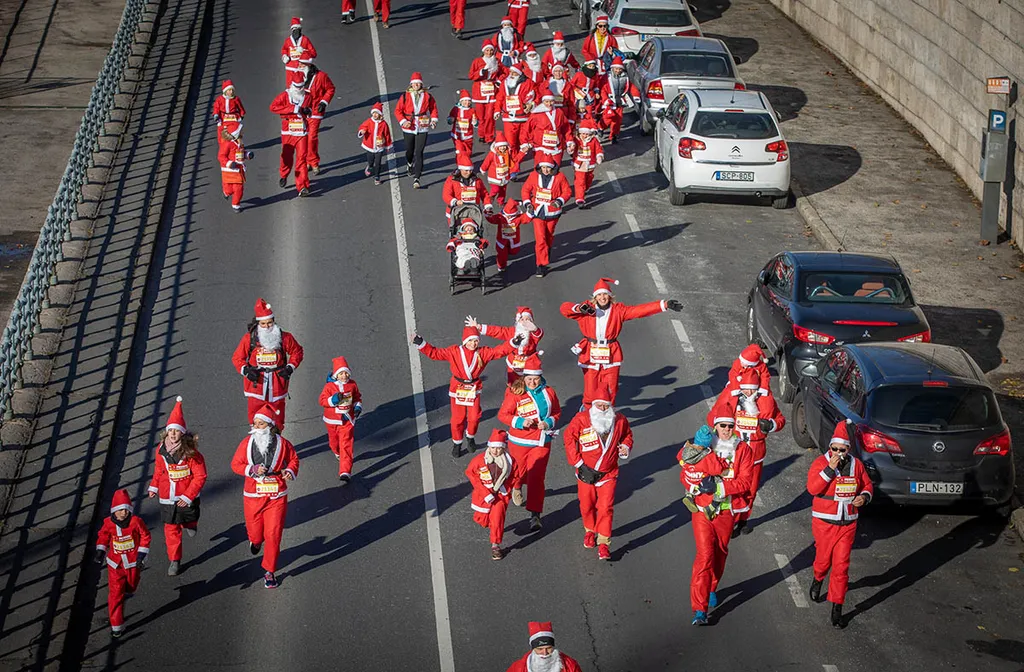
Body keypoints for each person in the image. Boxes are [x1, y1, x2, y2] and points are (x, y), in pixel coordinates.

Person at [562, 278, 682, 405]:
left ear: (610, 296)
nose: (603, 298)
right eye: (599, 295)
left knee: (611, 389)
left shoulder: (618, 310)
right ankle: (587, 414)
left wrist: (663, 305)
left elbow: (639, 311)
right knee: (591, 391)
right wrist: (578, 308)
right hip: (590, 354)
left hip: (611, 354)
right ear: (595, 297)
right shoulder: (587, 309)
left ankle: (608, 416)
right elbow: (564, 308)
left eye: (605, 294)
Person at [683, 420, 754, 625]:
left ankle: (712, 586)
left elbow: (745, 481)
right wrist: (693, 484)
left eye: (730, 427)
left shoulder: (743, 450)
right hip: (702, 511)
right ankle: (699, 609)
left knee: (720, 552)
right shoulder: (703, 445)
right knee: (704, 555)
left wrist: (718, 488)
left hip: (726, 512)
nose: (726, 430)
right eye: (722, 426)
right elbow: (685, 468)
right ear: (716, 427)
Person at [412, 327, 520, 456]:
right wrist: (421, 342)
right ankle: (457, 443)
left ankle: (470, 437)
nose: (473, 344)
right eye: (471, 340)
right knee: (458, 419)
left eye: (476, 341)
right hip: (458, 388)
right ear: (464, 341)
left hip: (473, 388)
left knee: (474, 417)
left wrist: (513, 342)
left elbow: (499, 351)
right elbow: (435, 353)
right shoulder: (454, 351)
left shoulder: (482, 353)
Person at [807, 421, 872, 629]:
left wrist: (864, 496)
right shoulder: (820, 463)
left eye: (841, 450)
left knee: (842, 566)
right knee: (823, 560)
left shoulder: (856, 466)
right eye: (834, 449)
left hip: (847, 524)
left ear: (848, 449)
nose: (837, 453)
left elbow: (867, 485)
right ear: (830, 448)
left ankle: (837, 607)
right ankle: (818, 578)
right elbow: (812, 488)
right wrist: (829, 469)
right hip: (824, 522)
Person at [231, 404, 299, 589]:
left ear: (269, 426)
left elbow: (293, 459)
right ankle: (255, 541)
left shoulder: (282, 443)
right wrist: (251, 469)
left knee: (274, 533)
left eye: (261, 424)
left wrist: (290, 471)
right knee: (255, 532)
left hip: (276, 495)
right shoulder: (246, 443)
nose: (257, 427)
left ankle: (269, 571)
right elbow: (235, 464)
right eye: (255, 423)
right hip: (253, 494)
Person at [711, 369, 785, 536]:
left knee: (751, 489)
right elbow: (718, 415)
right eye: (746, 388)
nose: (749, 392)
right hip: (734, 453)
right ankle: (729, 519)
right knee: (733, 485)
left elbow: (781, 420)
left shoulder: (765, 402)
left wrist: (771, 424)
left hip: (755, 454)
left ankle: (743, 519)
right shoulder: (733, 400)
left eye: (753, 389)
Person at [563, 385, 632, 560]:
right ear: (593, 405)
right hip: (585, 471)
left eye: (606, 406)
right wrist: (577, 462)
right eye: (599, 405)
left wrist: (625, 447)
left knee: (605, 507)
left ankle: (603, 542)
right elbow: (568, 437)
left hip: (608, 474)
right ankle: (590, 529)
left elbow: (627, 436)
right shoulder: (581, 419)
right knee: (586, 505)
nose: (602, 409)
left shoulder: (620, 420)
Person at [498, 354, 560, 531]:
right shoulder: (516, 392)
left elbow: (556, 412)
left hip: (541, 441)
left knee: (536, 477)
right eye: (529, 379)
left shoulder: (549, 392)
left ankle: (535, 515)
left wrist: (548, 422)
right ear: (524, 377)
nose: (532, 383)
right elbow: (503, 415)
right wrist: (519, 421)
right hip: (519, 441)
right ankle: (517, 486)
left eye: (535, 379)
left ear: (541, 377)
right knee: (518, 473)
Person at [146, 396, 206, 576]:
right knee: (171, 530)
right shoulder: (160, 450)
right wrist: (153, 487)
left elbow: (200, 476)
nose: (172, 434)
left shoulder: (191, 453)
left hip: (187, 497)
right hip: (167, 498)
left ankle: (190, 524)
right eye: (170, 430)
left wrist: (188, 496)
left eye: (176, 431)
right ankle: (175, 560)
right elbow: (159, 470)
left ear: (182, 433)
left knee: (189, 518)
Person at [230, 298, 304, 432]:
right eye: (263, 324)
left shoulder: (284, 337)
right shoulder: (250, 338)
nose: (267, 326)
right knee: (255, 416)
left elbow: (297, 352)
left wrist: (290, 367)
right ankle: (257, 441)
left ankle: (277, 442)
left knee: (277, 416)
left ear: (274, 321)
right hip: (256, 385)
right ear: (258, 323)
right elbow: (237, 358)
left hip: (277, 385)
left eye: (270, 323)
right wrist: (246, 371)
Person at [94, 489, 150, 638]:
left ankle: (128, 590)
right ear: (114, 511)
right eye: (120, 510)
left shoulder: (136, 522)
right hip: (115, 565)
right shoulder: (108, 523)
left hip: (132, 563)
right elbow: (103, 536)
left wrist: (141, 555)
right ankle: (116, 626)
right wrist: (100, 550)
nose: (124, 513)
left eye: (126, 509)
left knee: (131, 587)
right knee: (115, 594)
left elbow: (145, 536)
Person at [465, 428, 523, 560]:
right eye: (492, 448)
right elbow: (471, 473)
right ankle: (490, 525)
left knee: (497, 518)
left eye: (498, 448)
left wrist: (506, 489)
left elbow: (515, 475)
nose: (495, 451)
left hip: (501, 495)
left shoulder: (509, 462)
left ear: (504, 448)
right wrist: (485, 492)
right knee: (481, 519)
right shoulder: (480, 460)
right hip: (483, 494)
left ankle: (495, 545)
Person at [521, 158, 572, 277]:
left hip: (552, 213)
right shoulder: (533, 175)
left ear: (552, 167)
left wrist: (559, 201)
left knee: (548, 236)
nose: (545, 170)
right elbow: (525, 190)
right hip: (537, 212)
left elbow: (567, 191)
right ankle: (540, 265)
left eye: (548, 168)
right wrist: (528, 203)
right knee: (540, 239)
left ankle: (546, 251)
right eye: (543, 167)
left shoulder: (560, 177)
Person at [467, 306, 543, 383]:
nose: (524, 322)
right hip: (513, 363)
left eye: (527, 319)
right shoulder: (512, 331)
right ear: (518, 321)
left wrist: (535, 329)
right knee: (513, 384)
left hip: (529, 363)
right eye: (522, 319)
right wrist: (479, 327)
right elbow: (498, 331)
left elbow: (539, 334)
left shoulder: (533, 334)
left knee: (531, 383)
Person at [318, 356, 363, 484]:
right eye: (341, 373)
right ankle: (336, 451)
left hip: (347, 420)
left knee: (346, 444)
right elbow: (322, 401)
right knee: (334, 442)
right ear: (336, 375)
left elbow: (357, 398)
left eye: (346, 373)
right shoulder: (329, 387)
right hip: (332, 420)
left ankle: (345, 471)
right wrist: (333, 400)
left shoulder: (352, 384)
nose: (344, 376)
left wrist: (357, 407)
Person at [268, 74, 312, 196]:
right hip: (288, 130)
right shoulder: (285, 96)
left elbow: (310, 109)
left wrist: (308, 112)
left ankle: (302, 186)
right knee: (286, 157)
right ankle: (284, 174)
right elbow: (273, 107)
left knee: (302, 159)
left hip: (302, 131)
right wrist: (293, 109)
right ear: (292, 85)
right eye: (297, 86)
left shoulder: (308, 96)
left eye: (301, 86)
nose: (299, 89)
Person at [394, 72, 438, 189]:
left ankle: (417, 178)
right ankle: (409, 163)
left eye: (418, 83)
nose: (416, 85)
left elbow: (433, 108)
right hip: (409, 126)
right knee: (409, 150)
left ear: (421, 84)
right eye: (414, 83)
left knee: (419, 152)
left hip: (422, 126)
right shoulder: (405, 96)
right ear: (411, 85)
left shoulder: (428, 96)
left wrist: (433, 120)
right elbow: (398, 111)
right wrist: (404, 121)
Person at [520, 92, 573, 173]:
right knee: (539, 171)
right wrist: (524, 142)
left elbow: (566, 128)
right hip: (541, 147)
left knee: (554, 171)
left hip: (556, 147)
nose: (549, 104)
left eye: (551, 101)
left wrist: (569, 141)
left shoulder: (559, 112)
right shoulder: (536, 114)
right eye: (546, 101)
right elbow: (526, 129)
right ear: (543, 101)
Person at [494, 65, 535, 163]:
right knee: (511, 143)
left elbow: (536, 95)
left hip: (523, 118)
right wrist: (497, 110)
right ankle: (514, 165)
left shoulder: (529, 83)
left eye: (514, 73)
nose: (511, 75)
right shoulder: (504, 83)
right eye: (510, 72)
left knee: (523, 142)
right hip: (509, 118)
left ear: (520, 74)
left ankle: (516, 160)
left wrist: (531, 104)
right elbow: (500, 97)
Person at [506, 622, 584, 672]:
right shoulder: (518, 668)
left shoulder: (570, 666)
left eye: (549, 648)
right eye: (540, 649)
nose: (545, 653)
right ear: (533, 648)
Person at [468, 40, 504, 144]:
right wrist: (480, 73)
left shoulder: (497, 61)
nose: (489, 52)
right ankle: (482, 134)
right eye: (487, 50)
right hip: (479, 91)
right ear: (484, 51)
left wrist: (498, 81)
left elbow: (504, 72)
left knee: (489, 116)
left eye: (491, 50)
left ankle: (489, 136)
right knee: (481, 116)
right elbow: (471, 76)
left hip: (492, 91)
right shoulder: (477, 61)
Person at [302, 63, 336, 175]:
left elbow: (330, 89)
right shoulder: (297, 75)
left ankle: (314, 161)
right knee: (303, 137)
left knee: (312, 137)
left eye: (302, 64)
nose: (300, 66)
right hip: (302, 111)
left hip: (315, 110)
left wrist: (324, 102)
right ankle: (307, 160)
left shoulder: (321, 76)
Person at [598, 56, 639, 143]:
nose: (617, 70)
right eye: (616, 69)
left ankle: (613, 136)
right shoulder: (607, 77)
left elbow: (631, 87)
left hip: (619, 102)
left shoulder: (625, 77)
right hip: (609, 102)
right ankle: (600, 128)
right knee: (608, 118)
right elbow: (603, 89)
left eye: (619, 69)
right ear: (613, 68)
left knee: (618, 120)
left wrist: (636, 96)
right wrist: (605, 99)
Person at [485, 199, 530, 274]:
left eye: (511, 216)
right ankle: (501, 266)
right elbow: (492, 219)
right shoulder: (500, 217)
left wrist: (530, 212)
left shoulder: (518, 218)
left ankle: (509, 252)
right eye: (508, 216)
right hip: (502, 240)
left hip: (514, 239)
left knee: (514, 251)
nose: (509, 218)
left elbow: (526, 218)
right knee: (501, 254)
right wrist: (488, 215)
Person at [357, 102, 393, 186]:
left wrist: (388, 145)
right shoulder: (369, 121)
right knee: (370, 160)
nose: (375, 115)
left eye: (377, 113)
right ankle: (369, 166)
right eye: (374, 113)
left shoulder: (384, 124)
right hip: (369, 145)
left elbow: (387, 134)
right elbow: (362, 127)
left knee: (378, 162)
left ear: (380, 114)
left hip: (379, 147)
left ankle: (377, 177)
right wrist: (362, 131)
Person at [218, 128, 253, 213]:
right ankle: (226, 192)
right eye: (240, 131)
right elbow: (221, 156)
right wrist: (229, 163)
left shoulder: (239, 143)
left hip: (238, 170)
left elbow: (241, 153)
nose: (242, 132)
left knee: (239, 189)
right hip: (229, 171)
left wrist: (247, 155)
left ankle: (235, 204)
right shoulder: (227, 144)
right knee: (229, 189)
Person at [571, 119, 604, 208]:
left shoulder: (594, 141)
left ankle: (585, 188)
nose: (585, 136)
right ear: (580, 133)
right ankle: (580, 199)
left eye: (587, 134)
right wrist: (570, 149)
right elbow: (571, 147)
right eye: (583, 133)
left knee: (588, 179)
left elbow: (598, 149)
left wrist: (599, 156)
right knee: (580, 181)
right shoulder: (577, 140)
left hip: (590, 163)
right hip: (579, 163)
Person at [480, 132, 514, 205]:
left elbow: (512, 162)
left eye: (504, 146)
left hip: (504, 175)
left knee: (503, 190)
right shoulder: (492, 154)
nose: (502, 148)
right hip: (494, 176)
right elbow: (487, 162)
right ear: (497, 146)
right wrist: (483, 169)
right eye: (501, 146)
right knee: (496, 189)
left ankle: (500, 202)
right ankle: (491, 197)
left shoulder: (508, 153)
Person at [212, 79, 245, 150]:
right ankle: (223, 146)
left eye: (232, 90)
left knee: (235, 131)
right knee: (222, 132)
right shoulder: (220, 99)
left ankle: (238, 145)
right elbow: (216, 107)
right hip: (223, 117)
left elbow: (240, 107)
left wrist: (241, 114)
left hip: (233, 117)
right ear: (225, 91)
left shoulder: (236, 99)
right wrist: (216, 114)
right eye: (229, 90)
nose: (231, 92)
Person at [280, 17, 316, 82]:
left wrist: (304, 51)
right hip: (290, 68)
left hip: (302, 68)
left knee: (302, 87)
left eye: (297, 29)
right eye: (294, 29)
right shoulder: (288, 41)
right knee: (290, 88)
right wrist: (284, 56)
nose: (296, 32)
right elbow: (284, 50)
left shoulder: (305, 40)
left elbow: (313, 53)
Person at [447, 89, 478, 161]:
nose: (467, 102)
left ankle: (465, 163)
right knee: (460, 152)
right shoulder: (455, 109)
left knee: (468, 153)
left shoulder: (472, 111)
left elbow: (476, 124)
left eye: (469, 101)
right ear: (461, 101)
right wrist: (450, 120)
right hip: (456, 135)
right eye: (465, 100)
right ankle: (460, 167)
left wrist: (475, 122)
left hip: (468, 136)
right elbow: (450, 119)